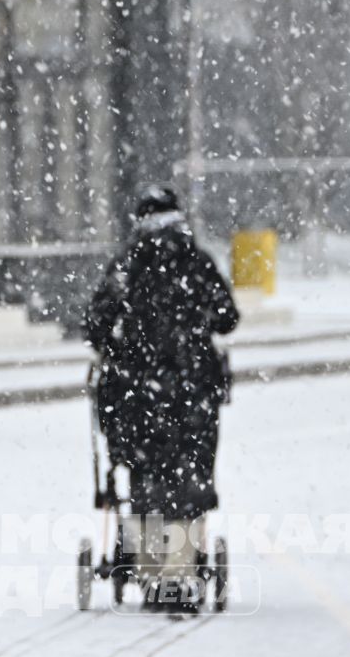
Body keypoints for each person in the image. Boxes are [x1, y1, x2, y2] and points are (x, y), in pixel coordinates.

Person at [85, 184, 240, 610]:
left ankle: (153, 575)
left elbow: (96, 322)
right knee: (189, 478)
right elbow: (228, 317)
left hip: (138, 391)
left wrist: (123, 340)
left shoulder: (127, 263)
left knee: (144, 475)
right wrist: (194, 323)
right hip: (193, 389)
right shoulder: (196, 261)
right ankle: (181, 572)